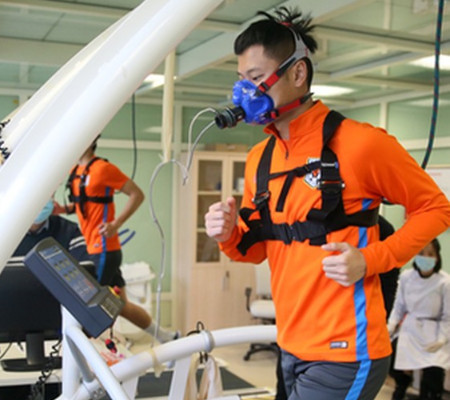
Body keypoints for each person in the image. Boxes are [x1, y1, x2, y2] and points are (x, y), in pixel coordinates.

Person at [204, 6, 450, 399]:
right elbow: (257, 250)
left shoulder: (361, 144)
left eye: (256, 78)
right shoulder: (260, 159)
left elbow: (437, 209)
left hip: (346, 351)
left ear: (298, 73)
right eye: (241, 80)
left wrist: (370, 259)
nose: (244, 92)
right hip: (291, 343)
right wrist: (228, 234)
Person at [55, 137, 178, 343]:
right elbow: (85, 204)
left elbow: (137, 194)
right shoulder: (75, 171)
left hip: (104, 249)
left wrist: (116, 224)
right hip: (91, 247)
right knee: (121, 306)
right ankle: (168, 337)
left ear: (90, 140)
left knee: (92, 304)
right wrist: (63, 209)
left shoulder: (103, 169)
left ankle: (103, 347)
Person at [388, 238, 450, 400]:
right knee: (394, 363)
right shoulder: (406, 277)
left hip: (434, 331)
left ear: (437, 257)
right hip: (410, 329)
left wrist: (442, 339)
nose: (426, 258)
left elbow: (447, 316)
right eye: (421, 253)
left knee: (433, 374)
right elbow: (399, 307)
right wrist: (391, 326)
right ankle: (401, 388)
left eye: (430, 254)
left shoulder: (445, 282)